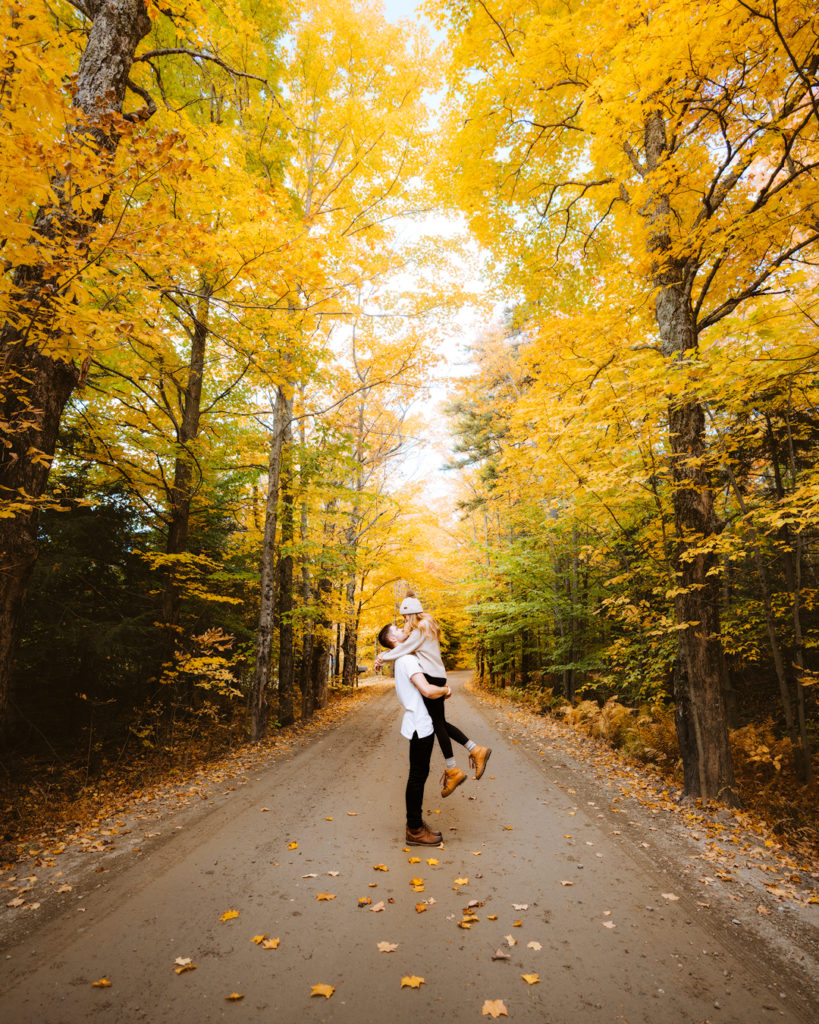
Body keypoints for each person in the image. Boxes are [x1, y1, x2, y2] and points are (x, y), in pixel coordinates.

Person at [375, 596, 492, 797]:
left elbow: (403, 648)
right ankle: (472, 751)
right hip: (437, 675)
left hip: (432, 677)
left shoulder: (420, 628)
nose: (404, 624)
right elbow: (404, 648)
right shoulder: (426, 625)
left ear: (411, 614)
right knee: (439, 721)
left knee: (437, 723)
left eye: (404, 619)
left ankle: (454, 768)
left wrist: (381, 658)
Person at [388, 649, 451, 846]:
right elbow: (428, 691)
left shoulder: (405, 658)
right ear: (393, 639)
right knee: (417, 776)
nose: (404, 629)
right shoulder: (407, 660)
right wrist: (446, 690)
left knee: (419, 774)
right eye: (398, 630)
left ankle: (415, 824)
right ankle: (414, 830)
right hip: (420, 724)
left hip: (419, 723)